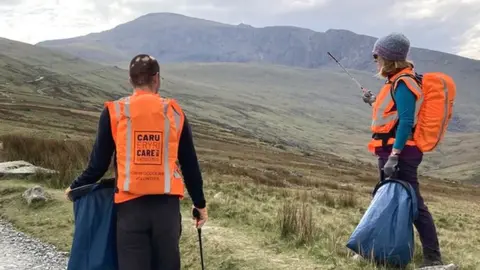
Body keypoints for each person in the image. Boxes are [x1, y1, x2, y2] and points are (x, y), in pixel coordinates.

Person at [64, 54, 208, 270]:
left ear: (130, 80)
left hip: (130, 211)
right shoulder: (174, 112)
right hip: (166, 211)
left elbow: (98, 165)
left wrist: (74, 188)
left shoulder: (115, 112)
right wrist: (200, 205)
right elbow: (189, 164)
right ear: (157, 78)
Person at [362, 33, 443, 267]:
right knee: (384, 199)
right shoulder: (396, 81)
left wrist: (395, 156)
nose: (375, 59)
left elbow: (406, 121)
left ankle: (433, 259)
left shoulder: (404, 82)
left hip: (401, 153)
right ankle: (376, 250)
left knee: (414, 204)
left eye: (377, 55)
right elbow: (393, 113)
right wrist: (373, 101)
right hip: (390, 151)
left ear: (389, 57)